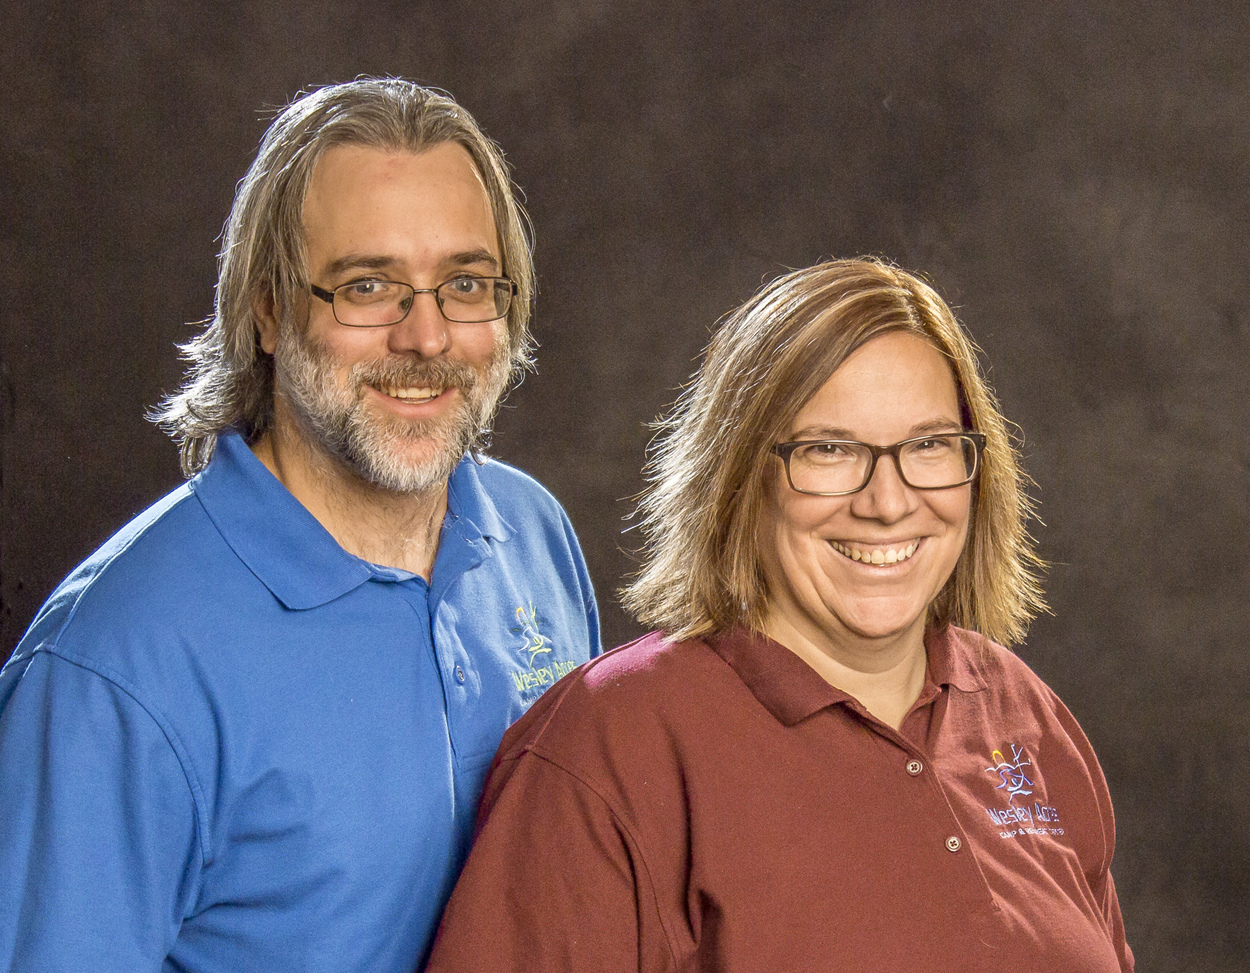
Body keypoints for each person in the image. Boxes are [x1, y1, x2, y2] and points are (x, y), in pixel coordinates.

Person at [0, 79, 600, 972]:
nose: (427, 337)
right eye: (369, 286)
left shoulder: (533, 533)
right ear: (270, 308)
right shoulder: (113, 667)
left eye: (465, 283)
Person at [424, 258, 1133, 972]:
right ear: (738, 475)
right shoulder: (607, 748)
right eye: (829, 449)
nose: (887, 502)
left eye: (928, 446)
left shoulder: (1022, 711)